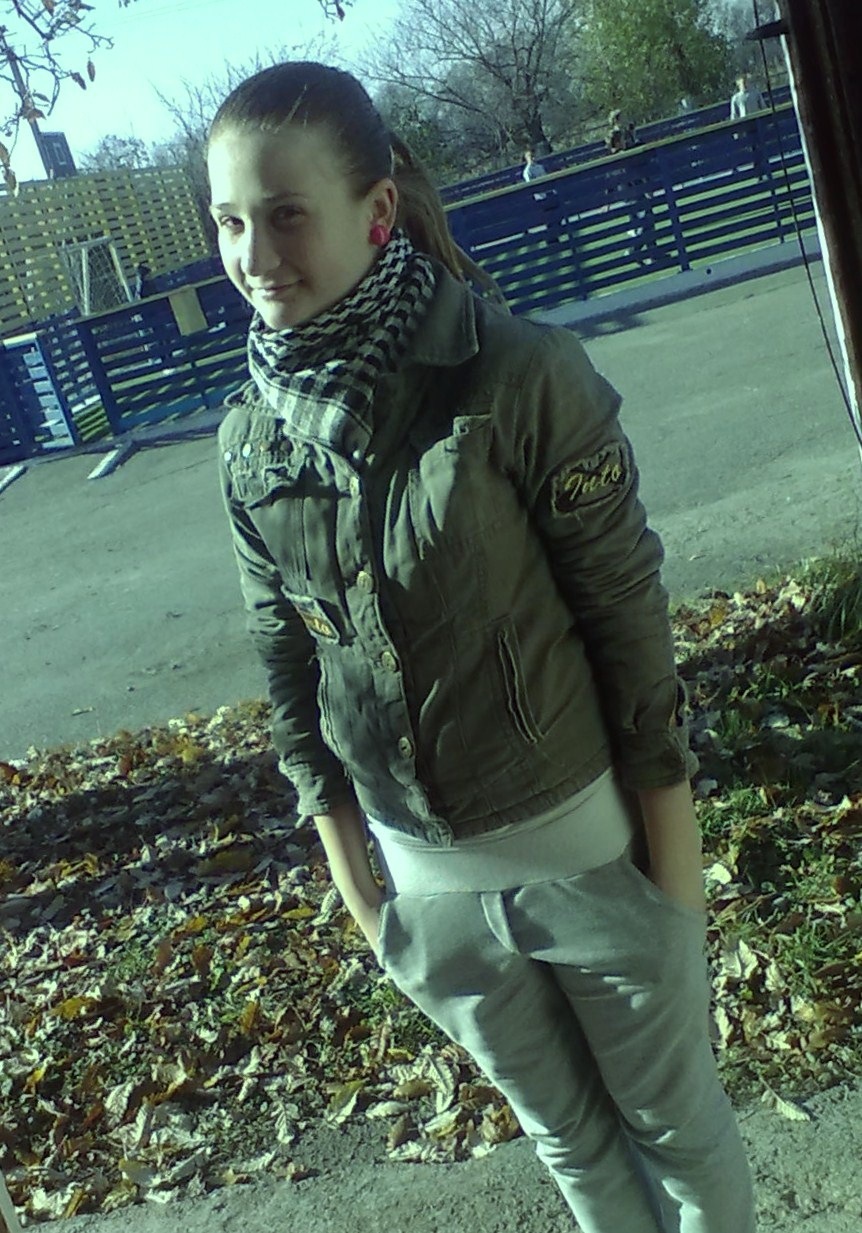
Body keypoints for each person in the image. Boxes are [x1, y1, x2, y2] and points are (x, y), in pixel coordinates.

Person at [207, 61, 755, 1233]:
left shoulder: (516, 374)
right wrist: (363, 893)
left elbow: (626, 620)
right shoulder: (250, 437)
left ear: (377, 211)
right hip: (427, 891)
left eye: (286, 214)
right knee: (570, 1147)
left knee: (676, 1135)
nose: (256, 256)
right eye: (231, 222)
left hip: (592, 860)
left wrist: (672, 878)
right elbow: (286, 664)